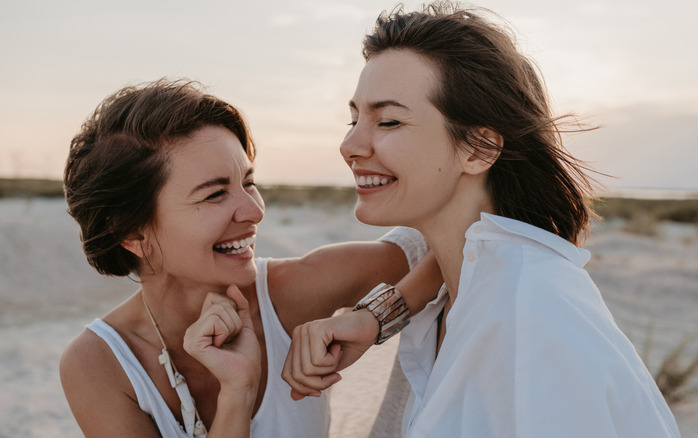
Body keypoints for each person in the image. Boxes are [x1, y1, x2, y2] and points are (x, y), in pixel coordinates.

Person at [282, 2, 682, 437]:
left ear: (479, 150)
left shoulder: (535, 314)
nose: (350, 144)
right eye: (354, 118)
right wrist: (378, 315)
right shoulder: (453, 297)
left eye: (389, 120)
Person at [58, 79, 442, 437]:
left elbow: (449, 243)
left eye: (249, 183)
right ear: (132, 232)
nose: (254, 211)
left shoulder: (297, 290)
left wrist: (375, 318)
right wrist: (237, 394)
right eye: (214, 194)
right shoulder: (99, 364)